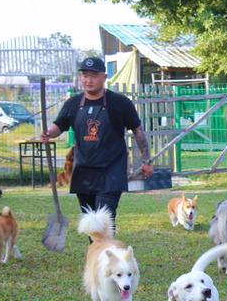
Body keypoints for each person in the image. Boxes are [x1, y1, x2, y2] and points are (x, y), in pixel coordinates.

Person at [41, 57, 153, 221]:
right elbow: (59, 125)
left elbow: (138, 131)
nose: (88, 80)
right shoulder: (73, 103)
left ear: (104, 77)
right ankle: (97, 247)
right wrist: (49, 133)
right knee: (90, 222)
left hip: (112, 172)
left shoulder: (120, 103)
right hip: (84, 173)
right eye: (85, 75)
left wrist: (146, 161)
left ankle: (105, 246)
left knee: (103, 221)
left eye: (93, 75)